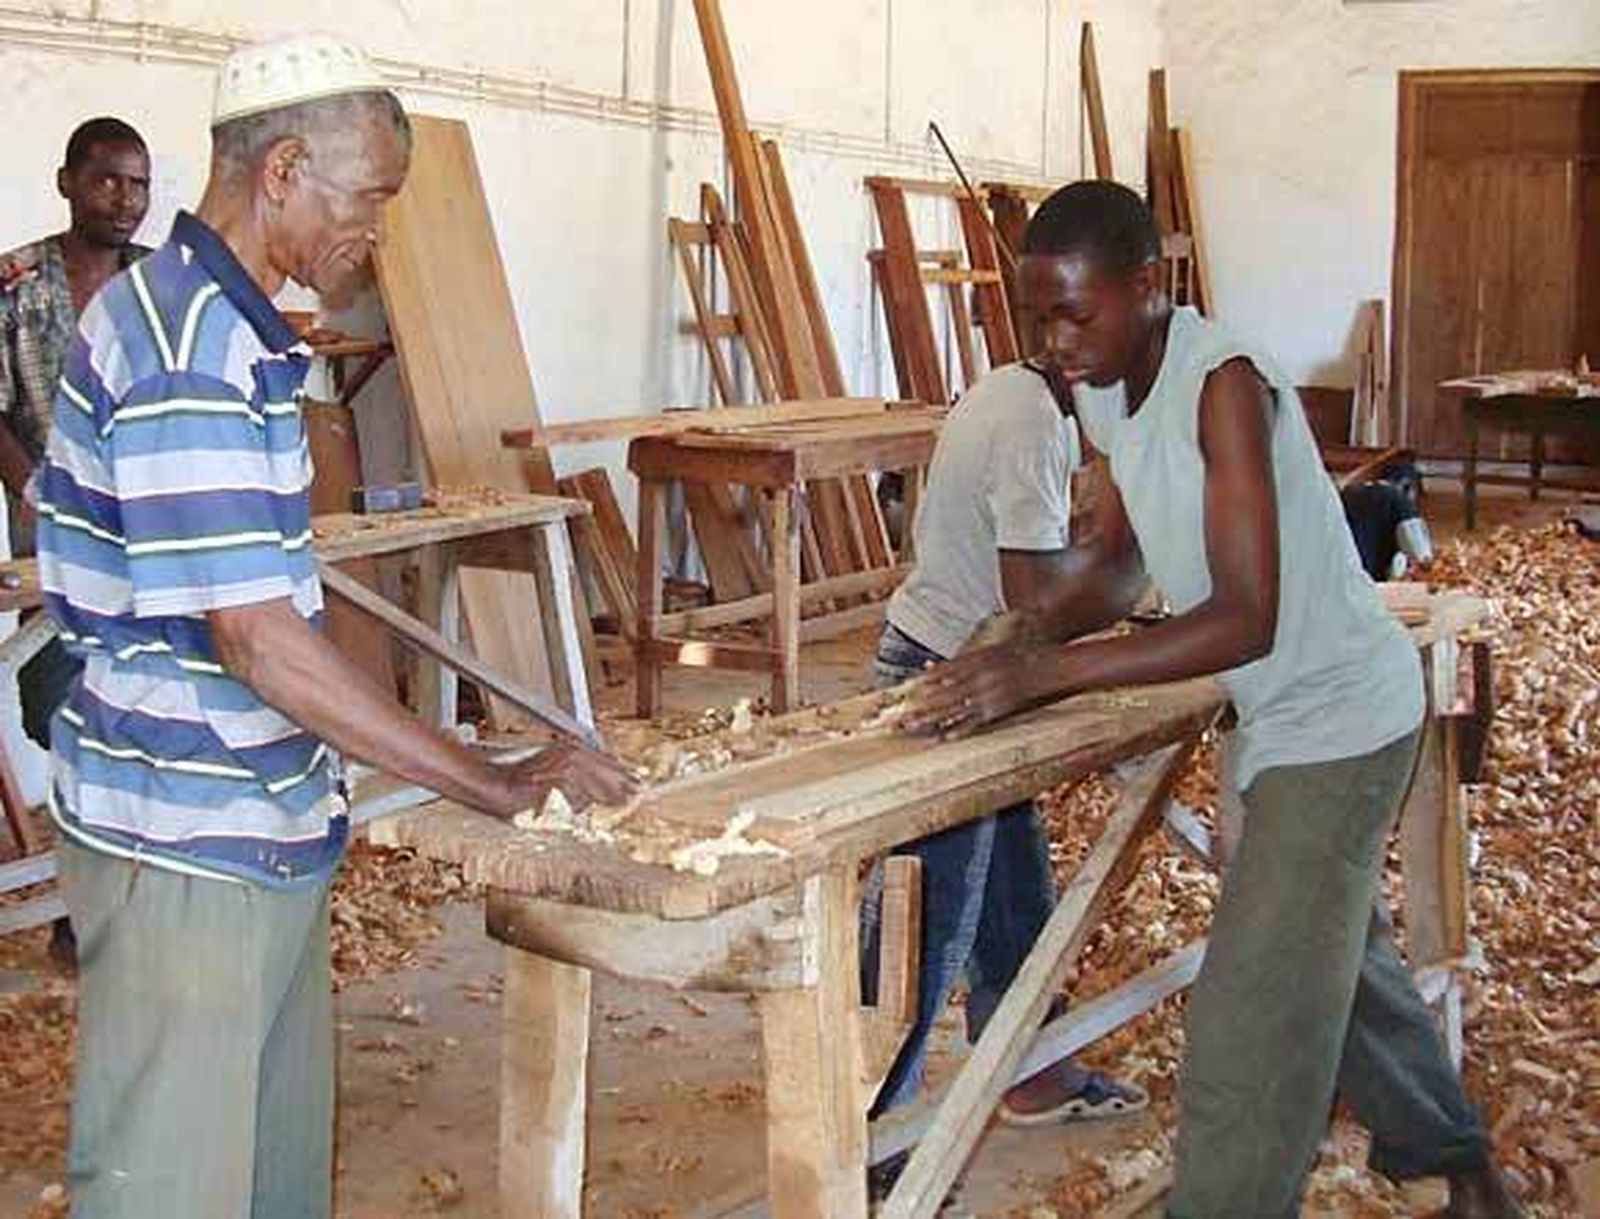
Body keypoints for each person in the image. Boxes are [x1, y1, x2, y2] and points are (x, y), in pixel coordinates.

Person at [36, 35, 633, 1219]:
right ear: (284, 172)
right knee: (170, 1190)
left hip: (256, 828)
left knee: (272, 1181)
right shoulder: (185, 348)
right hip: (183, 844)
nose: (375, 231)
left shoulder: (238, 329)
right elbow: (256, 638)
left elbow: (271, 602)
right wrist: (488, 780)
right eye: (368, 198)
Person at [903, 181, 1519, 1219]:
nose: (1056, 342)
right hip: (1275, 717)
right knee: (1332, 953)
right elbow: (1117, 564)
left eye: (1075, 313)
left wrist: (1044, 675)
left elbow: (1245, 617)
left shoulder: (1222, 383)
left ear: (1149, 285)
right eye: (1038, 317)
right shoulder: (1106, 388)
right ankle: (1458, 1163)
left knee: (1251, 1024)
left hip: (1343, 717)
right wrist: (1030, 631)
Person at [861, 359, 1145, 1208]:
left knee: (1015, 893)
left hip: (978, 661)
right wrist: (1122, 566)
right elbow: (1032, 603)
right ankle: (871, 1126)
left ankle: (1031, 1067)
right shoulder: (1028, 421)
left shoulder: (1027, 398)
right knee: (927, 911)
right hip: (949, 670)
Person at [1, 115, 152, 965]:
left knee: (148, 702)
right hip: (51, 532)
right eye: (106, 180)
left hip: (153, 531)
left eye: (138, 184)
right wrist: (37, 487)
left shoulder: (160, 285)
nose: (124, 200)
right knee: (61, 703)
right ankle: (82, 897)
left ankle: (127, 900)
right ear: (66, 183)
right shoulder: (17, 285)